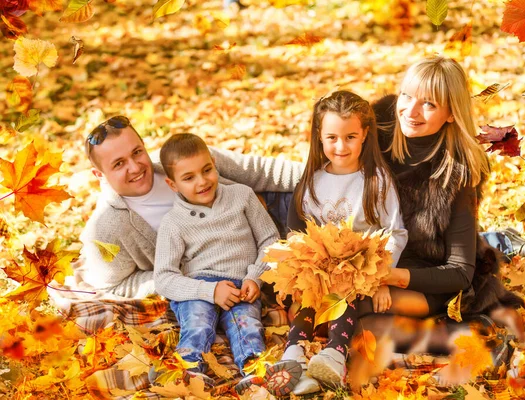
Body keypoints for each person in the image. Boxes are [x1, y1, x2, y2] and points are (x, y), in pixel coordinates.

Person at [350, 56, 525, 383]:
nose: (411, 111)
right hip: (371, 259)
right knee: (339, 313)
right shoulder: (373, 127)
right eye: (406, 96)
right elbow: (322, 171)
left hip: (426, 272)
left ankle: (479, 343)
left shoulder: (457, 174)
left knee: (359, 316)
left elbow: (459, 271)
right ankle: (502, 239)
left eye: (429, 104)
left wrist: (392, 276)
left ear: (451, 114)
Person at [265, 91, 409, 396]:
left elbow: (396, 233)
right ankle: (293, 356)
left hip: (358, 270)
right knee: (309, 291)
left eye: (350, 137)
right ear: (319, 136)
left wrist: (381, 278)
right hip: (320, 267)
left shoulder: (376, 180)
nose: (340, 146)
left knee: (342, 287)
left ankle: (334, 354)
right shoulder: (313, 181)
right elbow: (299, 234)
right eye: (332, 137)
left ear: (365, 135)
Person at [76, 116, 303, 299]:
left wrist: (323, 173)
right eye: (119, 164)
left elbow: (261, 171)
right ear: (99, 175)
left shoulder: (179, 160)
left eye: (137, 153)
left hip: (274, 210)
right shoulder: (107, 227)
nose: (135, 167)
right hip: (257, 271)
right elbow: (114, 285)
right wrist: (185, 281)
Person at [152, 133, 299, 394]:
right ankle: (188, 373)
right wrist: (209, 291)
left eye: (207, 170)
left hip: (242, 283)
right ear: (172, 185)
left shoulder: (242, 196)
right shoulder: (173, 223)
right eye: (189, 178)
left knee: (248, 326)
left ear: (214, 164)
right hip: (199, 288)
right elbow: (163, 277)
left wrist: (255, 276)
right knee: (198, 324)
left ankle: (256, 376)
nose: (202, 181)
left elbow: (270, 239)